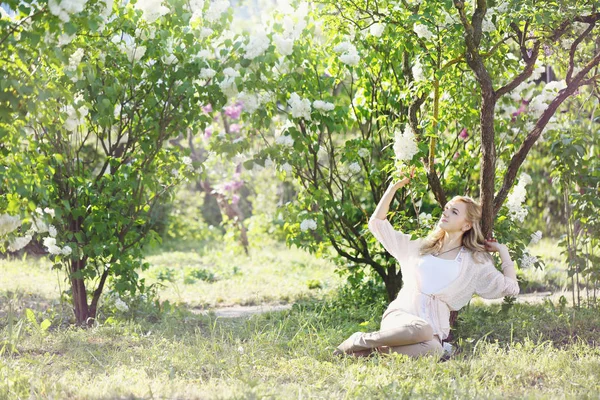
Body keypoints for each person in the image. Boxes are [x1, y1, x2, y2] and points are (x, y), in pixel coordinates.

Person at [333, 174, 520, 358]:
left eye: (454, 212)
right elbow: (377, 224)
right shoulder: (419, 247)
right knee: (422, 329)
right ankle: (361, 340)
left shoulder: (473, 262)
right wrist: (393, 188)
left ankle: (370, 353)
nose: (445, 212)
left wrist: (503, 250)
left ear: (466, 226)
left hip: (430, 330)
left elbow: (511, 288)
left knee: (434, 349)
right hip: (401, 318)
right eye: (447, 209)